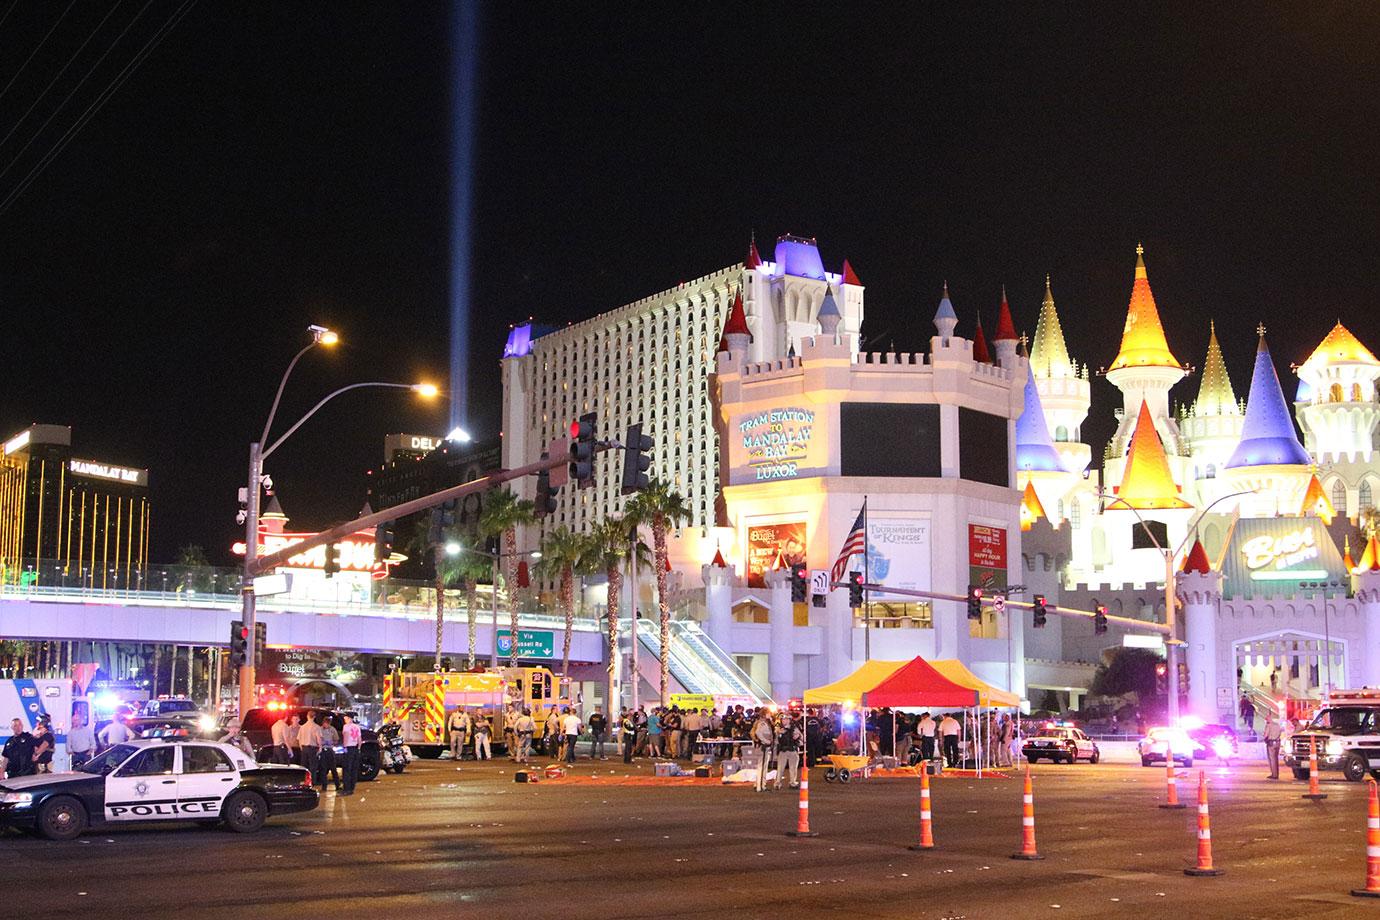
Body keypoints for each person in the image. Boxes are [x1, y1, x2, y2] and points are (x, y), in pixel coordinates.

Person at [775, 714, 803, 790]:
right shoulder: (778, 729)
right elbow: (776, 741)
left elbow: (802, 738)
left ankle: (792, 782)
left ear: (789, 720)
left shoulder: (794, 728)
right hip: (783, 750)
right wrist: (778, 733)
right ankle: (777, 783)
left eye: (786, 719)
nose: (784, 721)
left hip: (793, 749)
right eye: (783, 719)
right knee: (780, 768)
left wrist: (798, 736)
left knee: (793, 768)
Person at [750, 710, 776, 792]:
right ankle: (760, 786)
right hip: (763, 747)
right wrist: (766, 741)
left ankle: (760, 785)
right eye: (768, 713)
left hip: (764, 746)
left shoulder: (764, 722)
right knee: (762, 767)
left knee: (763, 766)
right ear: (765, 714)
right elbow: (758, 733)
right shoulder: (763, 723)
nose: (770, 714)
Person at [340, 712, 362, 795]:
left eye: (345, 718)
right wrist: (359, 748)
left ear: (349, 718)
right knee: (354, 768)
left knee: (346, 768)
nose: (345, 720)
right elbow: (360, 739)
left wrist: (344, 747)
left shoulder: (346, 727)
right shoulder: (357, 727)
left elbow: (345, 737)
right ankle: (352, 787)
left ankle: (346, 788)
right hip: (355, 748)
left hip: (348, 748)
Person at [299, 712, 322, 785]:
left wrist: (301, 748)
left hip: (304, 748)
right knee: (313, 767)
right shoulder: (316, 727)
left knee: (304, 766)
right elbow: (318, 738)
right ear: (314, 717)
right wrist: (320, 747)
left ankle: (304, 782)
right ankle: (312, 782)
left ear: (307, 716)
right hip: (312, 748)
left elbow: (299, 739)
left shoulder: (302, 727)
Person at [318, 720, 341, 790]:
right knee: (323, 769)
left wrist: (332, 742)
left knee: (333, 768)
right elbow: (317, 739)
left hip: (330, 750)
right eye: (325, 724)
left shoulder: (332, 729)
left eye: (328, 724)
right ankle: (324, 786)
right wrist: (322, 743)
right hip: (323, 750)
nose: (326, 725)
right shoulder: (319, 729)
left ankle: (337, 785)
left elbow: (336, 740)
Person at [1263, 709, 1283, 780]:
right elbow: (1280, 732)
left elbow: (1265, 735)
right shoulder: (1277, 725)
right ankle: (1276, 773)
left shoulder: (1268, 725)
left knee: (1272, 759)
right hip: (1277, 742)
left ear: (1267, 720)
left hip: (1271, 743)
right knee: (1276, 758)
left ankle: (1274, 774)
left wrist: (1264, 738)